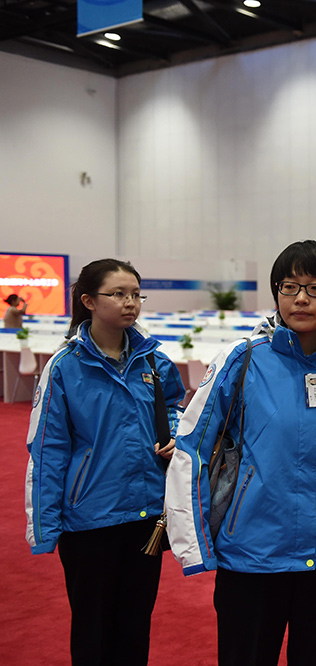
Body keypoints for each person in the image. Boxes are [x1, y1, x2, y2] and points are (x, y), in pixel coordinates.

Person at [164, 240, 316, 666]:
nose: (301, 298)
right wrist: (194, 546)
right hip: (252, 558)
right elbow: (191, 447)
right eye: (289, 286)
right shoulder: (242, 360)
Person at [25, 258, 184, 665]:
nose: (130, 303)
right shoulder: (65, 367)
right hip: (89, 520)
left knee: (135, 626)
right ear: (88, 301)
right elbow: (48, 449)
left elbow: (175, 409)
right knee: (93, 630)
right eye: (118, 294)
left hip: (146, 515)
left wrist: (175, 433)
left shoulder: (154, 360)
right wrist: (44, 528)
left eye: (135, 294)